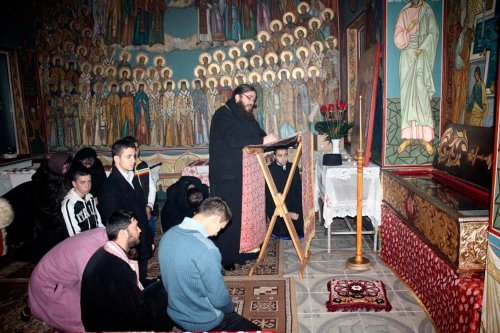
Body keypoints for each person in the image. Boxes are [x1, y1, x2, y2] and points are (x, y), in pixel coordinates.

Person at [159, 197, 260, 332]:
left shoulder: (168, 235)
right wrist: (230, 308)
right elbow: (218, 299)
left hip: (175, 313)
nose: (217, 233)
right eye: (220, 227)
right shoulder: (207, 249)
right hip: (205, 320)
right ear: (214, 220)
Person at [209, 84, 278, 269]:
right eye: (249, 98)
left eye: (253, 99)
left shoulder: (247, 116)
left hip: (246, 175)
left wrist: (274, 141)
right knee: (228, 217)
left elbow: (258, 133)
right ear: (237, 97)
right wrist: (263, 141)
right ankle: (226, 257)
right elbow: (234, 140)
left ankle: (243, 252)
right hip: (227, 176)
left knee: (243, 216)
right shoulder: (222, 114)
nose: (251, 102)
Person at [81, 210, 174, 331]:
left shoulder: (106, 251)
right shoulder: (118, 269)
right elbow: (137, 311)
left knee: (163, 284)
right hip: (107, 323)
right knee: (168, 298)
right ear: (124, 233)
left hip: (107, 311)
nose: (140, 230)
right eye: (136, 227)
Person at [27, 228, 108, 332]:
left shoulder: (105, 234)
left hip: (67, 279)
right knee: (88, 321)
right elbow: (96, 289)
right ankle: (39, 309)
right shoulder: (87, 251)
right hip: (50, 287)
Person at [98, 139, 153, 284]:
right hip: (129, 246)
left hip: (140, 240)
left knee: (141, 278)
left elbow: (141, 211)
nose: (133, 160)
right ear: (116, 159)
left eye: (134, 156)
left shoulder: (131, 178)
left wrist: (148, 240)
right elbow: (114, 225)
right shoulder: (109, 189)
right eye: (129, 156)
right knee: (130, 283)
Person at [394, 0, 438, 155]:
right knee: (407, 98)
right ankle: (408, 137)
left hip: (421, 54)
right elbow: (398, 39)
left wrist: (423, 47)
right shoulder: (404, 12)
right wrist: (408, 30)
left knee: (421, 95)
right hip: (407, 57)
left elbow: (433, 32)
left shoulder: (427, 10)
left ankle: (425, 138)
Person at [32, 152, 73, 258]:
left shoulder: (61, 176)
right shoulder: (44, 182)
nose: (66, 171)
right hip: (49, 224)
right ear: (57, 164)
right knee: (53, 252)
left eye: (67, 168)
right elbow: (46, 209)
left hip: (60, 219)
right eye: (64, 167)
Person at [265, 147, 304, 239]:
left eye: (285, 155)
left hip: (293, 206)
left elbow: (298, 190)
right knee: (283, 231)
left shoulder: (293, 167)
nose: (284, 158)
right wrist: (286, 213)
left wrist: (296, 211)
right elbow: (269, 197)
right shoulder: (269, 170)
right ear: (274, 156)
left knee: (300, 228)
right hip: (278, 208)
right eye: (280, 156)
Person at [123, 136, 157, 238]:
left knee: (149, 236)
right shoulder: (124, 168)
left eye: (137, 148)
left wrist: (149, 206)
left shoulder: (143, 166)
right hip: (131, 212)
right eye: (134, 148)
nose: (137, 151)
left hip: (146, 208)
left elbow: (152, 187)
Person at [61, 161, 103, 237]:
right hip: (81, 242)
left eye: (89, 181)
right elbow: (74, 235)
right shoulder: (69, 204)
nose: (87, 186)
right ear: (74, 184)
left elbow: (98, 222)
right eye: (82, 182)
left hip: (95, 237)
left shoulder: (90, 197)